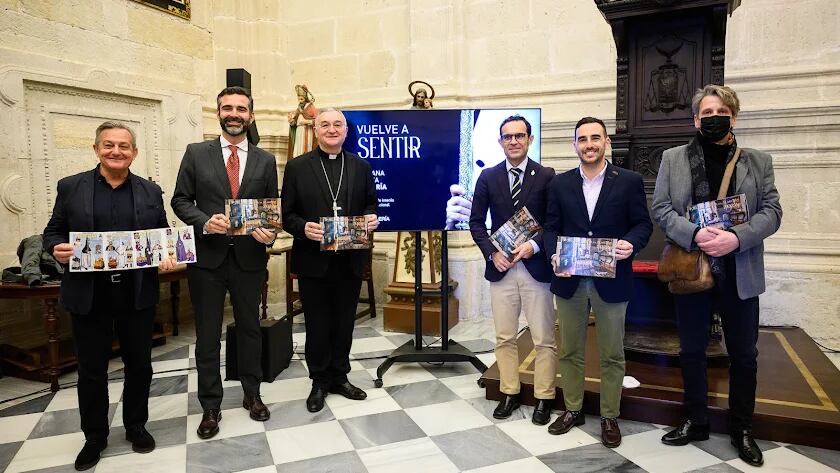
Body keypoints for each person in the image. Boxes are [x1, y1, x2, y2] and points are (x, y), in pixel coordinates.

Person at [653, 84, 782, 467]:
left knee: (743, 355)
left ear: (734, 117)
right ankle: (696, 419)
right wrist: (694, 234)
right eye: (705, 114)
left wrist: (735, 239)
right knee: (691, 350)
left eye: (720, 112)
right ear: (695, 119)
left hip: (739, 269)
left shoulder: (758, 161)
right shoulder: (673, 159)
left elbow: (772, 211)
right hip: (692, 268)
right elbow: (661, 208)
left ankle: (742, 428)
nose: (712, 119)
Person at [43, 121, 176, 471]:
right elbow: (53, 231)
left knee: (140, 366)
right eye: (108, 145)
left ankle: (136, 426)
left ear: (134, 152)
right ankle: (95, 437)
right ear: (96, 149)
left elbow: (161, 233)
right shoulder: (71, 187)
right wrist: (56, 248)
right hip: (90, 295)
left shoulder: (151, 191)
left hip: (136, 293)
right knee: (91, 371)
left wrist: (165, 252)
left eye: (123, 146)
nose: (116, 151)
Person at [171, 86, 279, 439]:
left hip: (249, 259)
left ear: (250, 114)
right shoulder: (196, 153)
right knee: (207, 336)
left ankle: (252, 393)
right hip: (208, 260)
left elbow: (270, 209)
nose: (234, 113)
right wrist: (203, 220)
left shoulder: (264, 160)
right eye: (227, 108)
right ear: (218, 113)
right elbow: (180, 200)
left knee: (250, 329)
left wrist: (269, 233)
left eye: (241, 108)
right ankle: (210, 405)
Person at [543, 117, 652, 448]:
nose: (588, 144)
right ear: (574, 145)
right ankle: (573, 408)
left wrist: (632, 243)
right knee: (571, 350)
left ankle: (609, 415)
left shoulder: (629, 181)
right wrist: (552, 255)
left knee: (612, 353)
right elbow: (550, 227)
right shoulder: (560, 184)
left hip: (612, 279)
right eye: (582, 139)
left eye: (595, 138)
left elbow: (642, 225)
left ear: (606, 142)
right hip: (570, 280)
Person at [281, 108, 378, 413]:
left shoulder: (361, 166)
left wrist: (372, 219)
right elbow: (287, 214)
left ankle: (340, 376)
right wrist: (302, 227)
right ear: (316, 130)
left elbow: (371, 203)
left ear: (346, 131)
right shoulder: (297, 167)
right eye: (326, 125)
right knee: (318, 324)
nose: (332, 129)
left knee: (344, 322)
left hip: (349, 259)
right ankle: (319, 380)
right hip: (313, 260)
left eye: (338, 125)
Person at [468, 115, 557, 425]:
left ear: (529, 139)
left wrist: (534, 246)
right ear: (500, 142)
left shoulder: (546, 175)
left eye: (520, 135)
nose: (514, 141)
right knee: (505, 336)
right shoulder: (488, 177)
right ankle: (509, 391)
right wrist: (492, 253)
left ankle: (544, 396)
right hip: (502, 268)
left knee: (544, 337)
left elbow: (554, 222)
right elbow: (476, 222)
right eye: (508, 136)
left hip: (536, 267)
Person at [287, 84, 318, 161]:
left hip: (307, 131)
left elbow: (317, 120)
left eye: (301, 98)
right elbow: (295, 122)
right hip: (299, 131)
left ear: (305, 97)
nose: (300, 100)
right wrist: (291, 121)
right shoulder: (299, 108)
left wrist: (306, 121)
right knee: (298, 151)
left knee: (306, 150)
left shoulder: (310, 106)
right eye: (298, 98)